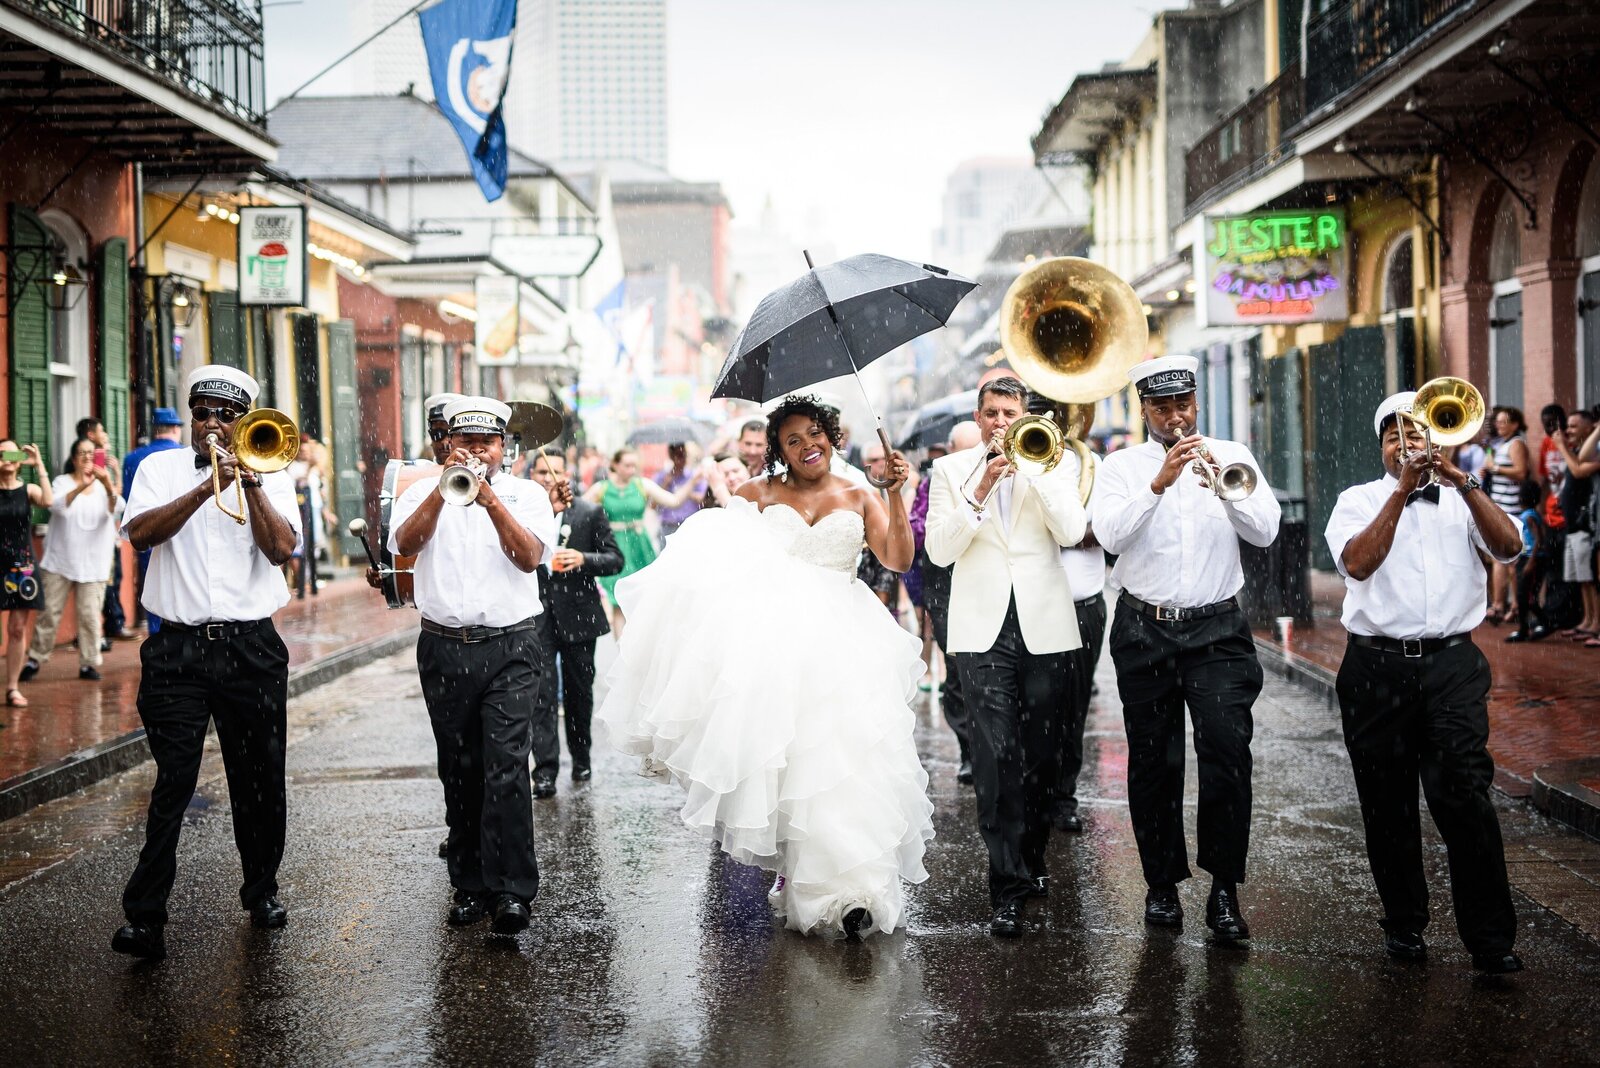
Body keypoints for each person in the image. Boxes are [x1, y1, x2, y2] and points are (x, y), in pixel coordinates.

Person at [598, 394, 932, 941]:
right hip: (772, 650)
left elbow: (897, 559)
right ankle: (799, 872)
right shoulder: (757, 495)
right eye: (792, 440)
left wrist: (895, 497)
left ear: (833, 435)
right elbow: (717, 567)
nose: (807, 447)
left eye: (815, 434)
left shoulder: (860, 494)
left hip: (843, 646)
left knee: (843, 762)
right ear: (778, 449)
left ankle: (853, 890)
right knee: (788, 764)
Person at [1325, 391, 1525, 974]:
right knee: (1387, 806)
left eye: (1417, 434)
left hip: (1452, 667)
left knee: (1464, 795)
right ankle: (1405, 924)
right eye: (1395, 435)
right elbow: (1359, 563)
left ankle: (1490, 941)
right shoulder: (1356, 499)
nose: (1407, 444)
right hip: (1375, 669)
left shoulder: (1465, 496)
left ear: (1438, 439)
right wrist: (1401, 492)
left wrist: (1464, 483)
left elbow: (1510, 548)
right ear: (1382, 446)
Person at [112, 366, 301, 961]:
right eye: (203, 412)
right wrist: (204, 487)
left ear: (246, 420)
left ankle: (261, 890)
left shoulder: (273, 468)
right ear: (190, 415)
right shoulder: (157, 469)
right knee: (173, 782)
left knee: (260, 779)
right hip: (178, 650)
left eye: (226, 414)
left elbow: (280, 550)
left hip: (252, 648)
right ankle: (145, 919)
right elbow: (141, 534)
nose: (213, 424)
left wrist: (250, 484)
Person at [1091, 355, 1280, 943]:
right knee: (1154, 760)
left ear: (1196, 403)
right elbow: (1110, 537)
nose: (1174, 416)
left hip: (1217, 629)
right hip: (1144, 628)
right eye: (1162, 406)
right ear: (1144, 409)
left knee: (1227, 752)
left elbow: (1266, 531)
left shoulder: (1234, 456)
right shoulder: (1121, 466)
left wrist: (1225, 490)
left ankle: (1224, 889)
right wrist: (1158, 484)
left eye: (1183, 405)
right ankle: (1161, 885)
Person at [925, 376, 1088, 938]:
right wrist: (981, 487)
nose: (999, 422)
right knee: (996, 755)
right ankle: (1008, 884)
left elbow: (1072, 530)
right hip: (981, 630)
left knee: (1045, 754)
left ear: (1024, 414)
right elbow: (938, 550)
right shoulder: (950, 471)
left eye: (1009, 412)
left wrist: (1035, 473)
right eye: (991, 412)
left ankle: (1033, 858)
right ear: (978, 416)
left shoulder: (1056, 460)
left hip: (1046, 625)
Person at [390, 397, 558, 936]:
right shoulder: (420, 491)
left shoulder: (526, 495)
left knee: (505, 765)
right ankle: (468, 884)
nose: (475, 451)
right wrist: (443, 494)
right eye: (466, 442)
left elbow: (529, 557)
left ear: (503, 447)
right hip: (444, 646)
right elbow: (406, 545)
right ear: (448, 443)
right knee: (458, 766)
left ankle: (511, 891)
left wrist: (487, 500)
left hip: (511, 646)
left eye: (486, 442)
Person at [527, 450, 622, 797]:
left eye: (555, 472)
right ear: (531, 475)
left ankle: (581, 758)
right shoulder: (522, 514)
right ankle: (546, 770)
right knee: (541, 694)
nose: (549, 479)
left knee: (580, 692)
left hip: (579, 616)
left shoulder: (589, 512)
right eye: (541, 473)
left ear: (566, 475)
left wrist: (583, 559)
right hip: (536, 615)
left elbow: (614, 559)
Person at [915, 421, 980, 785]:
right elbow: (923, 533)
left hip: (985, 590)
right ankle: (968, 750)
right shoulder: (935, 482)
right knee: (957, 675)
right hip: (947, 588)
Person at [26, 438, 123, 681]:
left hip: (94, 563)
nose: (87, 457)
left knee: (90, 617)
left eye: (91, 452)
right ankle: (35, 658)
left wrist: (108, 482)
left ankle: (88, 663)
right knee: (49, 613)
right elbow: (56, 505)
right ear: (74, 457)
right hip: (60, 560)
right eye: (82, 453)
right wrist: (82, 485)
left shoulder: (103, 487)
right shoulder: (62, 482)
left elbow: (116, 508)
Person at [582, 448, 705, 638]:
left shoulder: (643, 485)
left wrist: (693, 482)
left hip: (639, 544)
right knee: (617, 601)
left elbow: (673, 501)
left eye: (634, 466)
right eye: (627, 465)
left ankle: (639, 645)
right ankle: (622, 650)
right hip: (613, 546)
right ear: (615, 465)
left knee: (642, 597)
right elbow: (579, 509)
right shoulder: (602, 488)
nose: (632, 470)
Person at [1054, 444, 1108, 835]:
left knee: (1072, 708)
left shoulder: (1090, 463)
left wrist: (1059, 536)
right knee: (1030, 708)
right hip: (1027, 603)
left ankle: (1063, 797)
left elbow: (1108, 530)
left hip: (1082, 604)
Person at [122, 407, 186, 634]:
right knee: (182, 582)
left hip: (146, 529)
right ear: (176, 429)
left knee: (151, 583)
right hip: (182, 529)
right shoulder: (186, 455)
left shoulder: (132, 458)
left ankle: (156, 633)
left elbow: (127, 500)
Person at [0, 441, 49, 706]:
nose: (6, 459)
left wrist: (39, 463)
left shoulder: (27, 489)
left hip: (22, 565)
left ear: (19, 459)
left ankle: (12, 688)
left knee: (17, 629)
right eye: (1, 454)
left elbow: (49, 500)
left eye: (12, 453)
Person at [1553, 409, 1600, 645]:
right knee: (1582, 578)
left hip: (1586, 524)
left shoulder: (1592, 452)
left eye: (1573, 426)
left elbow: (1579, 469)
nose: (1568, 431)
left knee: (1591, 578)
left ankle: (1596, 623)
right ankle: (1588, 620)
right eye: (1567, 426)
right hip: (1572, 525)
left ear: (1589, 427)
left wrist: (1561, 447)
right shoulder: (1580, 450)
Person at [1482, 406, 1529, 623]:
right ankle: (1502, 604)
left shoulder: (1516, 443)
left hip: (1512, 509)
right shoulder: (1500, 444)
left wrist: (1496, 469)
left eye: (1504, 422)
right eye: (1498, 422)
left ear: (1515, 424)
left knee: (1508, 561)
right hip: (1500, 506)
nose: (1499, 425)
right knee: (1499, 559)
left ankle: (1509, 605)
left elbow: (1521, 472)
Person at [1508, 479, 1551, 642]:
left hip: (1534, 559)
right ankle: (1527, 627)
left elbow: (1538, 539)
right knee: (1524, 595)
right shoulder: (1531, 514)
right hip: (1528, 557)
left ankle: (1539, 624)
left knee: (1526, 596)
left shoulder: (1528, 515)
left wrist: (1531, 561)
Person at [653, 441, 707, 541]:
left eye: (684, 455)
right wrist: (665, 485)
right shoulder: (661, 477)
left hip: (690, 525)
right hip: (668, 526)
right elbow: (653, 505)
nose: (682, 459)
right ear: (671, 456)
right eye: (678, 455)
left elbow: (704, 500)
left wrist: (687, 493)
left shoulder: (695, 476)